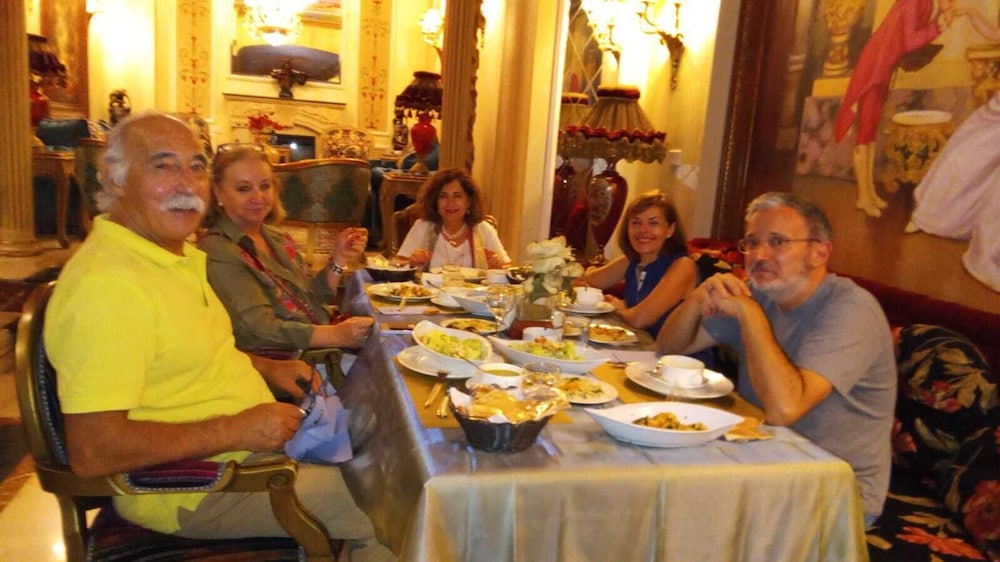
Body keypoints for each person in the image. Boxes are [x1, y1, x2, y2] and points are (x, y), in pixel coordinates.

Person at [43, 111, 394, 562]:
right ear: (115, 180)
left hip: (247, 449)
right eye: (163, 166)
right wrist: (239, 427)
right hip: (195, 488)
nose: (186, 183)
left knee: (386, 453)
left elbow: (199, 354)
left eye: (196, 167)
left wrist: (268, 367)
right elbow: (94, 450)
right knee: (390, 507)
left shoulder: (171, 255)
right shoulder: (107, 285)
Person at [656, 192, 896, 525]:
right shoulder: (762, 294)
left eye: (778, 242)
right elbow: (668, 350)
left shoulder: (851, 309)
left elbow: (785, 409)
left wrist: (750, 315)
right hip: (764, 461)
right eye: (752, 243)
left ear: (819, 252)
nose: (759, 255)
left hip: (833, 491)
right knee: (649, 478)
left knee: (672, 507)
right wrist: (698, 299)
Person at [198, 146, 374, 351]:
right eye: (244, 189)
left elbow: (311, 298)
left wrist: (339, 257)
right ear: (218, 192)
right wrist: (336, 335)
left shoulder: (276, 237)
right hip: (284, 360)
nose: (258, 197)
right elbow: (260, 330)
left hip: (317, 345)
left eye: (265, 186)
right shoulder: (219, 251)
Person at [833, 0, 954, 217]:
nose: (951, 4)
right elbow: (910, 41)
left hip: (884, 67)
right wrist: (938, 26)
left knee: (870, 134)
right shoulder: (913, 2)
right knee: (865, 134)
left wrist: (939, 21)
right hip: (874, 69)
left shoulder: (926, 4)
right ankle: (863, 196)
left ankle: (868, 193)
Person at [579, 190, 697, 337]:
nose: (643, 230)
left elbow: (640, 320)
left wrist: (618, 308)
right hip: (639, 343)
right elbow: (586, 281)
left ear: (670, 229)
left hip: (672, 350)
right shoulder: (633, 259)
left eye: (653, 223)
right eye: (636, 223)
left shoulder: (683, 265)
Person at [396, 168, 511, 269]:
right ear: (435, 201)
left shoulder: (483, 229)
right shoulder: (423, 227)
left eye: (457, 196)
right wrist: (411, 262)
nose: (450, 203)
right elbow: (397, 264)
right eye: (443, 196)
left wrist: (498, 265)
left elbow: (508, 267)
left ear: (469, 201)